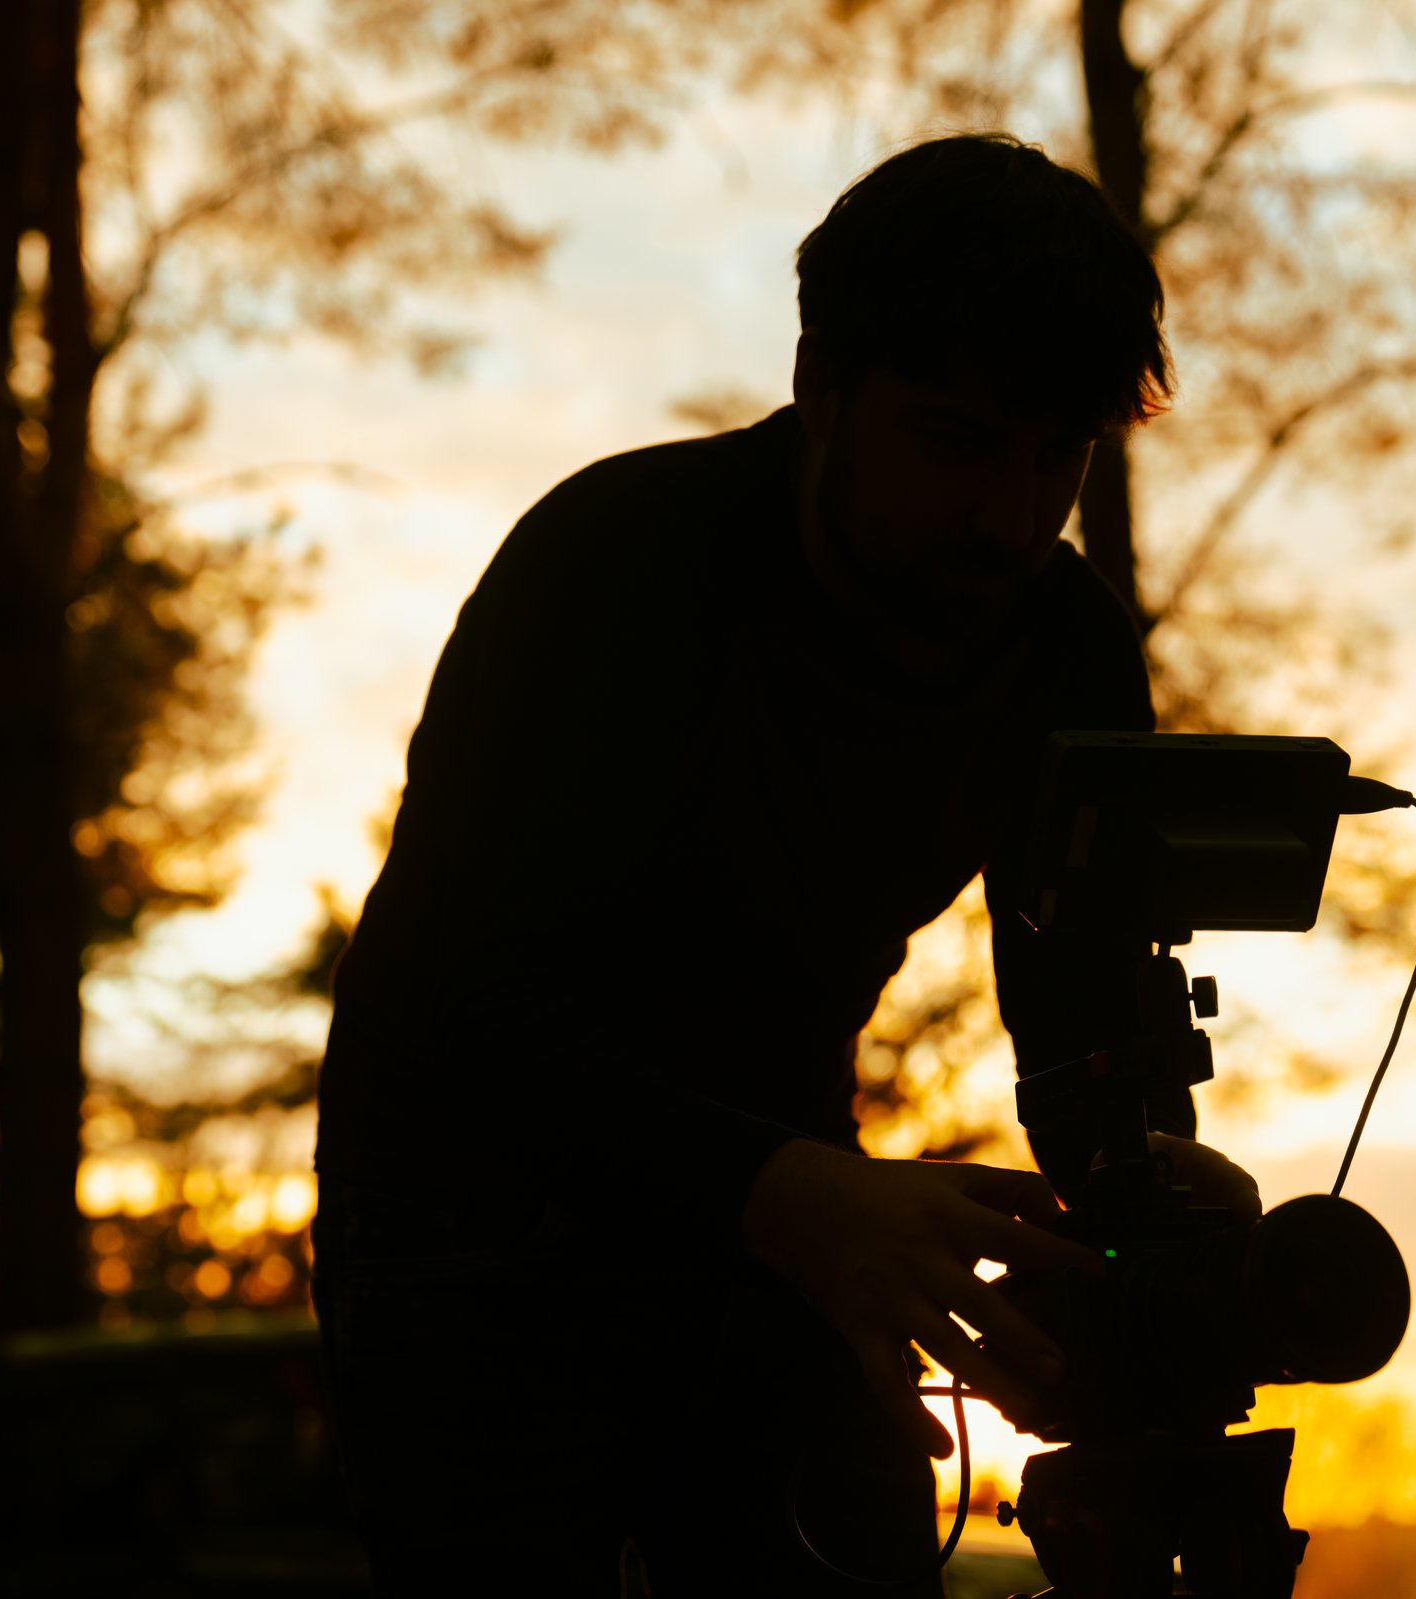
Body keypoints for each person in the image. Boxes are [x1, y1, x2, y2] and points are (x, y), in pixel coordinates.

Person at [310, 133, 1250, 1595]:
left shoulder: (1064, 648)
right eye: (955, 441)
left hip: (795, 1220)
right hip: (462, 1228)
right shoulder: (610, 571)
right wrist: (787, 1191)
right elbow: (463, 1012)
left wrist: (1128, 1232)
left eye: (1057, 456)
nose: (1011, 519)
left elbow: (1076, 1021)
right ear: (820, 383)